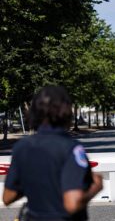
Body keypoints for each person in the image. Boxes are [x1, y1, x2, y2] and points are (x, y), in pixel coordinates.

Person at [2, 86, 103, 221]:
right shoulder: (71, 148)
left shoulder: (22, 146)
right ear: (66, 112)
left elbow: (8, 197)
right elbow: (72, 204)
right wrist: (96, 186)